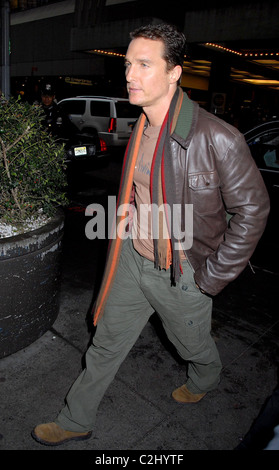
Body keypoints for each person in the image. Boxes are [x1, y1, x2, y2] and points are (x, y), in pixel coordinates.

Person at [32, 23, 270, 446]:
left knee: (191, 346)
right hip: (133, 259)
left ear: (175, 72)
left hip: (180, 271)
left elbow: (252, 212)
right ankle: (76, 419)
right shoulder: (141, 126)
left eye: (144, 64)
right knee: (104, 343)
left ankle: (206, 377)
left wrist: (210, 277)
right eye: (128, 64)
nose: (130, 74)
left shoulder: (217, 137)